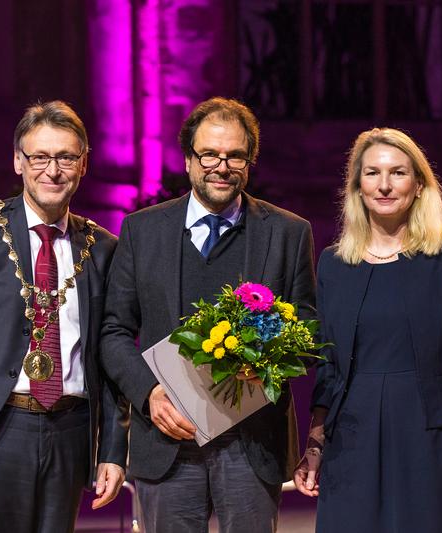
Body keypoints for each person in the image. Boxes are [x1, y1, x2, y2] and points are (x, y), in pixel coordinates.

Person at [101, 97, 316, 532]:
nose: (222, 165)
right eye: (210, 154)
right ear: (188, 160)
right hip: (167, 437)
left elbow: (308, 331)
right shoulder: (142, 230)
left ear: (250, 161)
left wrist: (272, 364)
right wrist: (148, 395)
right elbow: (114, 331)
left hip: (252, 440)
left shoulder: (289, 233)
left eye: (235, 155)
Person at [0, 100, 128, 533]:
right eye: (40, 157)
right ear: (18, 161)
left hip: (70, 429)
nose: (53, 170)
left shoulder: (102, 246)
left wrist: (113, 451)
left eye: (66, 157)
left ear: (83, 164)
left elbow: (112, 352)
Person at [293, 127, 442, 532]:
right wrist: (315, 443)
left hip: (430, 431)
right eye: (372, 174)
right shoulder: (333, 263)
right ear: (357, 187)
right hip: (352, 436)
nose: (384, 185)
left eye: (398, 173)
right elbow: (327, 366)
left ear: (419, 185)